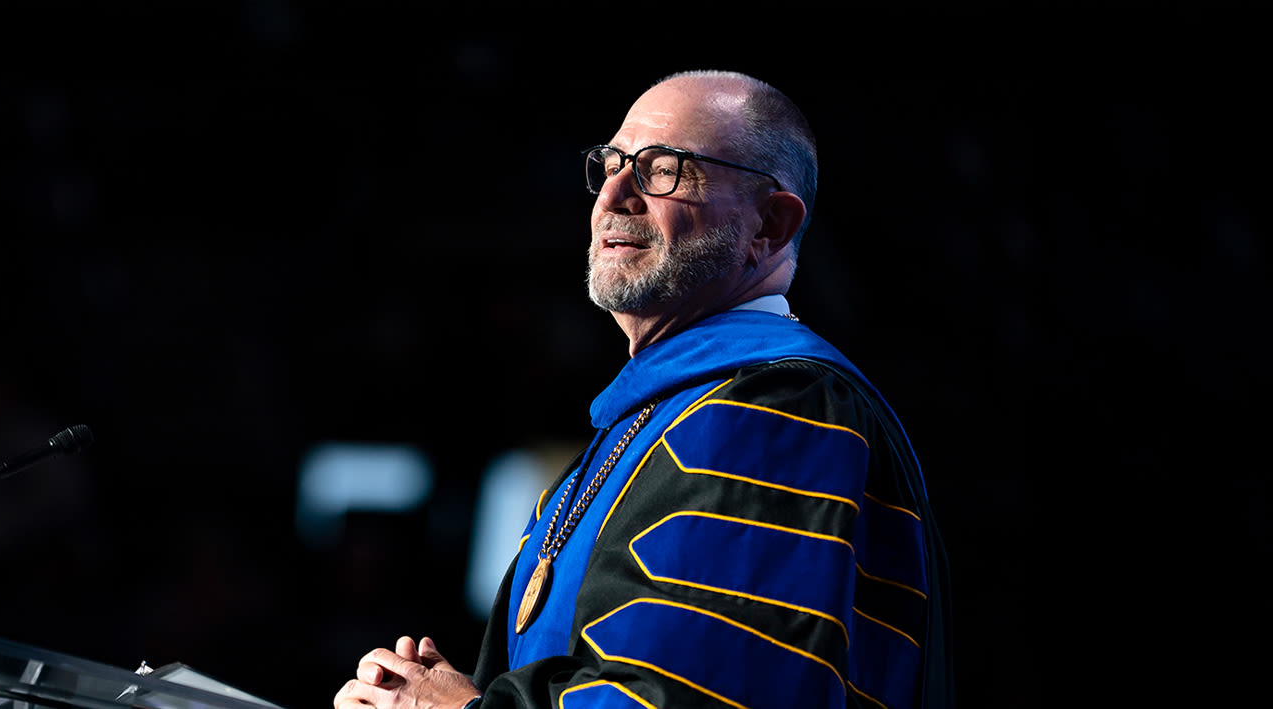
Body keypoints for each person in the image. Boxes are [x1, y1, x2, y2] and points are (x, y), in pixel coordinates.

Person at [334, 69, 952, 709]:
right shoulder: (658, 417)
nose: (614, 194)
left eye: (663, 170)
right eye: (609, 164)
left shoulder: (777, 408)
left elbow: (703, 695)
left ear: (768, 223)